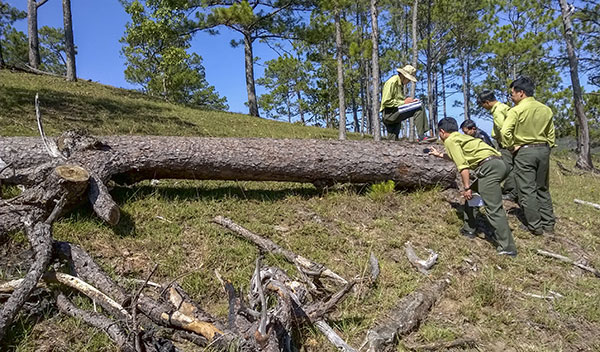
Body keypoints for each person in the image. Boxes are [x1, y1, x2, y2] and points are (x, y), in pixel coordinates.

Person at [429, 117, 517, 257]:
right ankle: (469, 229)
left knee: (493, 208)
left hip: (489, 168)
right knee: (473, 198)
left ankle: (507, 248)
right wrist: (440, 155)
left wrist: (466, 187)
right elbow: (460, 156)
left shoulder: (450, 140)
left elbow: (463, 167)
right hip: (500, 164)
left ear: (442, 131)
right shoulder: (460, 138)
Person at [501, 77, 555, 235]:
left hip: (525, 151)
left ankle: (535, 226)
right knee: (543, 188)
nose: (511, 96)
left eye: (512, 93)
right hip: (543, 150)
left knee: (527, 190)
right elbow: (551, 134)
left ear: (521, 93)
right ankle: (549, 225)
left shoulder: (516, 110)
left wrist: (512, 146)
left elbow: (505, 132)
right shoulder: (546, 109)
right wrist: (547, 148)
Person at [477, 90, 518, 201]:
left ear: (487, 102)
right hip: (511, 142)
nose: (483, 107)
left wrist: (507, 145)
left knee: (507, 167)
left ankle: (511, 192)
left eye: (482, 105)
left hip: (506, 143)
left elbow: (502, 129)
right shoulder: (503, 107)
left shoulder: (498, 111)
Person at [380, 64, 432, 142]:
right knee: (419, 107)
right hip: (389, 113)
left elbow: (398, 100)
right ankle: (421, 136)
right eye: (408, 79)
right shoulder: (392, 82)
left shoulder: (400, 84)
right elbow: (386, 102)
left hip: (394, 112)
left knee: (392, 141)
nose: (408, 81)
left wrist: (409, 102)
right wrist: (404, 102)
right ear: (403, 76)